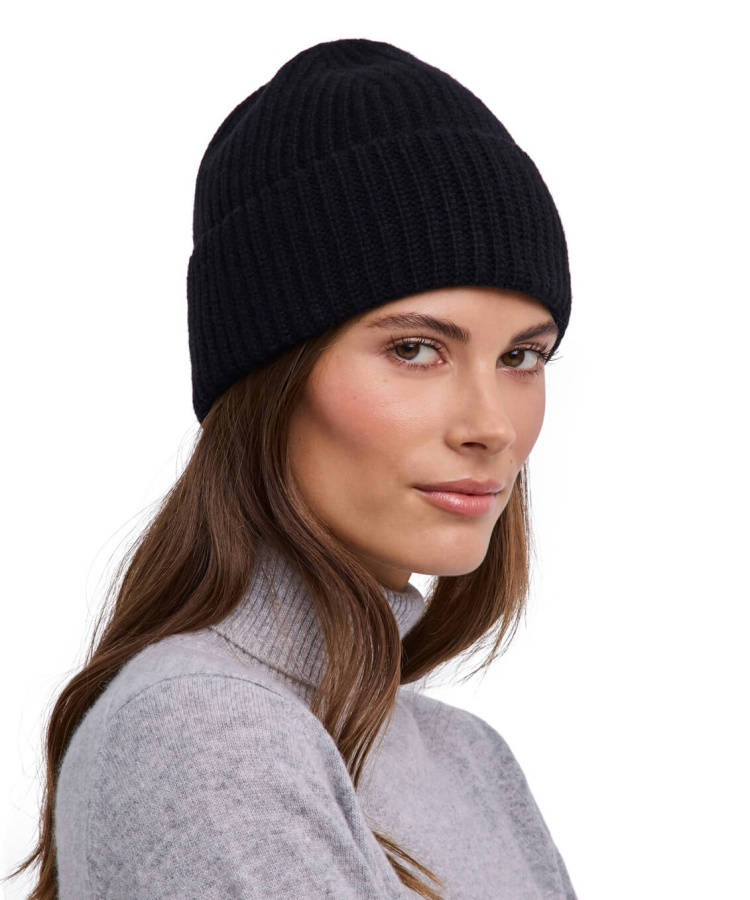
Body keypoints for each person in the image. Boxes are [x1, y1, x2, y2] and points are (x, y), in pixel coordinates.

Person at [7, 37, 577, 900]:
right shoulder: (200, 730)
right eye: (415, 349)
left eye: (522, 357)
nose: (492, 426)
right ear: (269, 377)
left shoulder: (469, 760)